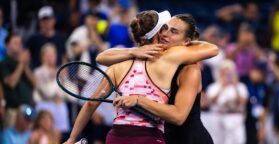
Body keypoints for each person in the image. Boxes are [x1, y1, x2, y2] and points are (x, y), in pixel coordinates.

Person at [64, 10, 218, 144]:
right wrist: (133, 51)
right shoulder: (169, 57)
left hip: (187, 139)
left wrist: (72, 138)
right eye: (164, 29)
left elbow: (100, 60)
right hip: (153, 137)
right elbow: (212, 48)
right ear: (157, 33)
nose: (166, 34)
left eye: (173, 31)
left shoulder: (118, 65)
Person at [206, 59, 248, 144]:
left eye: (230, 73)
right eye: (225, 73)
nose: (227, 76)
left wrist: (235, 86)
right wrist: (222, 87)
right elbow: (210, 102)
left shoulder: (240, 86)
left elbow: (242, 101)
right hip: (218, 120)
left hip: (236, 120)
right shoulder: (214, 87)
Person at [0, 32, 36, 128]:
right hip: (13, 110)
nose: (19, 46)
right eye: (15, 43)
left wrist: (24, 65)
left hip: (28, 108)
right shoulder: (4, 63)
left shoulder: (25, 63)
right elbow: (11, 83)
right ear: (7, 45)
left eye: (20, 43)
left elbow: (34, 83)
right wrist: (21, 64)